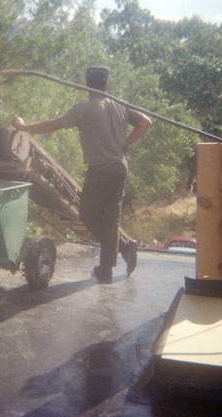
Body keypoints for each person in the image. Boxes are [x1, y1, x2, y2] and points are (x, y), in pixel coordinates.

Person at [13, 66, 153, 283]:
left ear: (86, 85)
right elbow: (146, 122)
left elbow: (54, 125)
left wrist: (25, 127)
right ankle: (110, 265)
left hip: (101, 170)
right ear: (107, 85)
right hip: (119, 168)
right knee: (111, 219)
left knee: (88, 215)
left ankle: (122, 250)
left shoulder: (85, 108)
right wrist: (125, 143)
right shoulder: (121, 105)